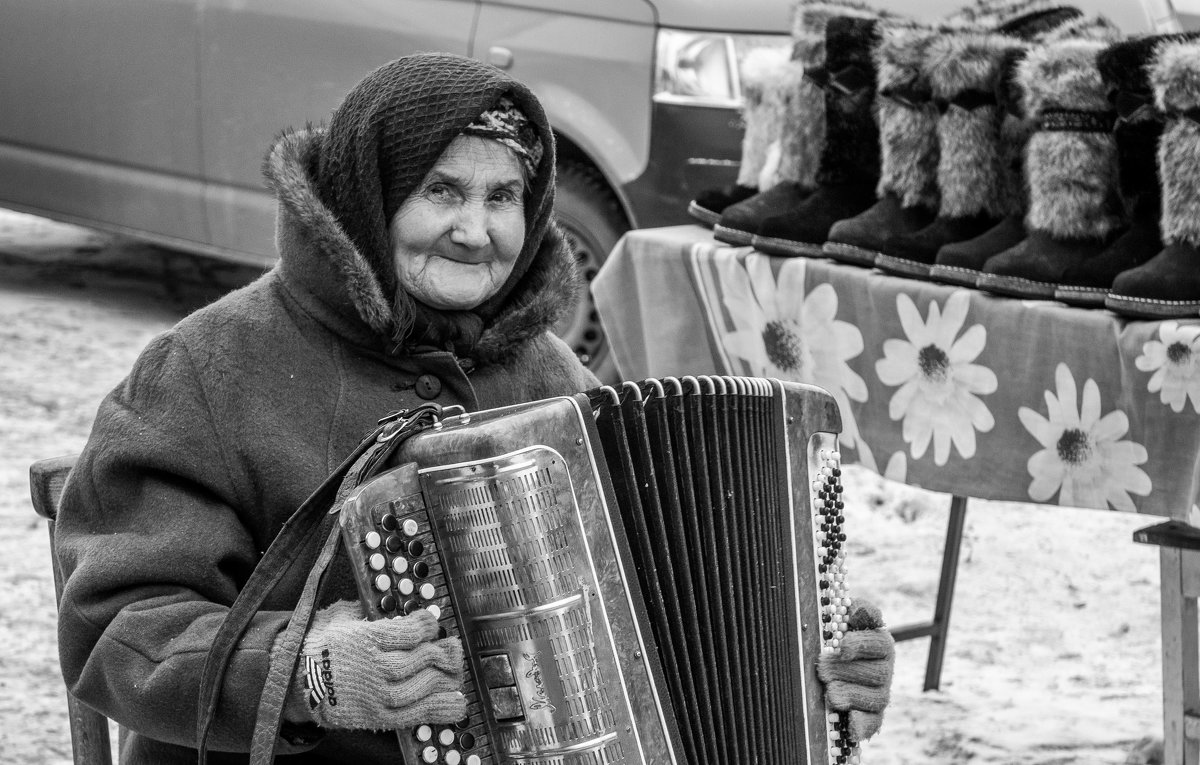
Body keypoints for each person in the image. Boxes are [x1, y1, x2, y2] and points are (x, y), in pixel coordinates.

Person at [53, 53, 892, 763]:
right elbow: (115, 628)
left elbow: (657, 601)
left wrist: (808, 652)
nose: (476, 229)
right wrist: (303, 671)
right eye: (442, 190)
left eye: (503, 197)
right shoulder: (207, 367)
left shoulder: (547, 370)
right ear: (366, 195)